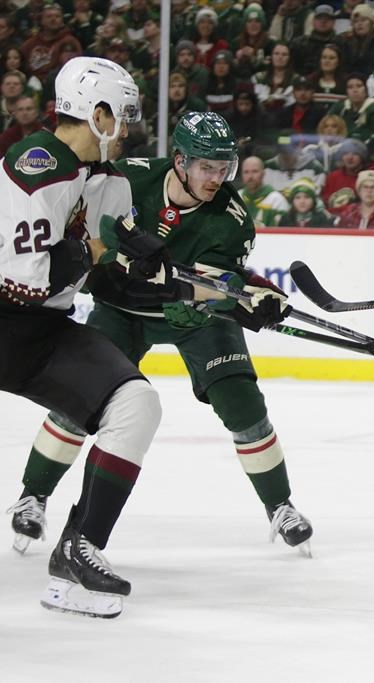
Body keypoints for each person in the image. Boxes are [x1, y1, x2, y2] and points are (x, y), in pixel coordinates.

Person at [12, 112, 315, 572]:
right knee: (78, 398)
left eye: (224, 168)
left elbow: (219, 282)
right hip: (121, 309)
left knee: (242, 402)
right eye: (207, 168)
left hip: (192, 314)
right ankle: (32, 497)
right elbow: (90, 232)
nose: (218, 178)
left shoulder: (231, 219)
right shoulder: (127, 180)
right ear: (179, 160)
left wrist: (251, 295)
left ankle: (280, 505)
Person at [1, 56, 169, 618]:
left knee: (136, 403)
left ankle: (79, 550)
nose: (128, 129)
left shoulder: (111, 181)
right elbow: (25, 281)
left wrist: (205, 299)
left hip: (41, 333)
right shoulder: (36, 163)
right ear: (96, 114)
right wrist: (97, 254)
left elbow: (108, 274)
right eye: (121, 116)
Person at [240, 155, 289, 227]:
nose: (250, 176)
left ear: (263, 174)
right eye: (246, 172)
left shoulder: (277, 200)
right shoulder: (236, 197)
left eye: (255, 171)